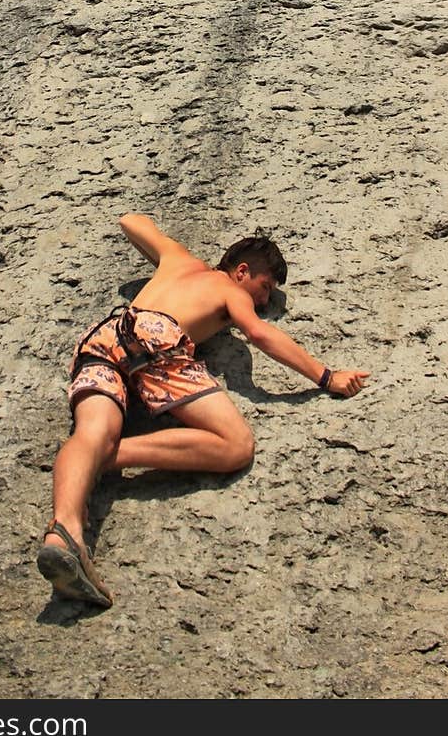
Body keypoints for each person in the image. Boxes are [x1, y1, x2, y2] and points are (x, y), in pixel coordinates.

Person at [37, 212, 370, 607]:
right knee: (235, 445)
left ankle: (65, 532)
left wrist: (165, 255)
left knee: (90, 435)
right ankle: (108, 458)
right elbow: (260, 332)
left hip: (104, 336)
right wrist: (326, 376)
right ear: (242, 271)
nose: (262, 301)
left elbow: (129, 221)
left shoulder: (177, 259)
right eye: (264, 288)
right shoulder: (230, 289)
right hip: (158, 340)